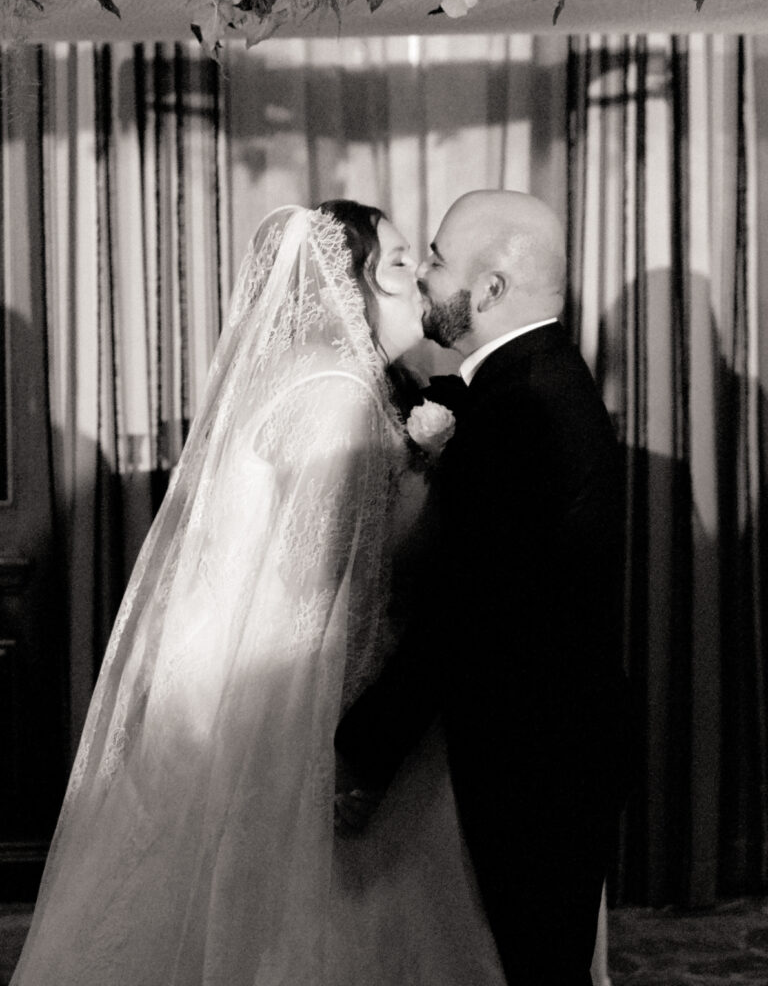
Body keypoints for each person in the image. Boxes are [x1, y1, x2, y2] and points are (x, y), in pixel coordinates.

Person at [11, 201, 505, 985]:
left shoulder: (301, 375)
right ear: (358, 277)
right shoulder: (340, 389)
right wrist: (356, 744)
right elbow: (324, 583)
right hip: (296, 687)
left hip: (226, 671)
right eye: (402, 258)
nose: (415, 281)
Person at [335, 190, 634, 986]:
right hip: (553, 751)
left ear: (492, 290)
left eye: (435, 259)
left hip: (534, 765)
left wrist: (364, 751)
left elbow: (467, 613)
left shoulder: (523, 410)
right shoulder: (525, 385)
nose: (425, 278)